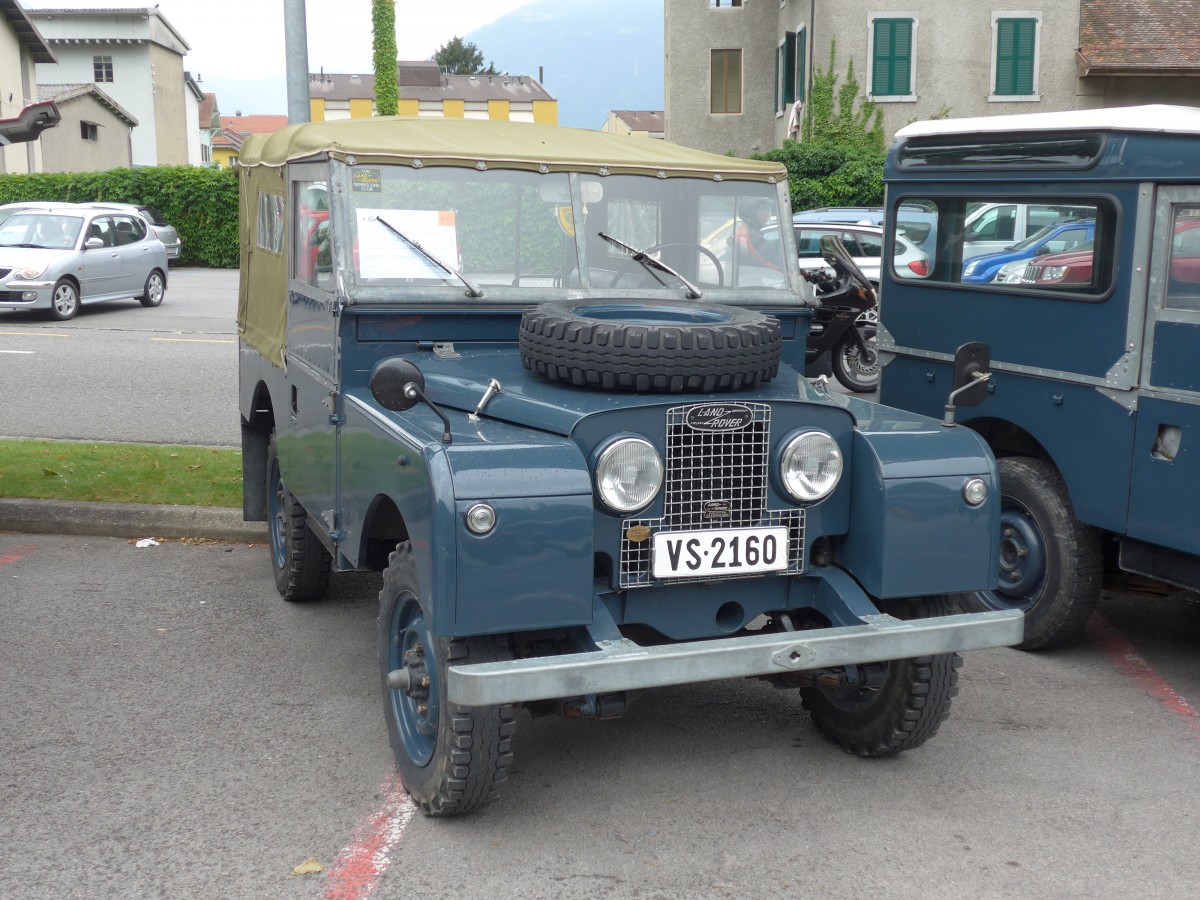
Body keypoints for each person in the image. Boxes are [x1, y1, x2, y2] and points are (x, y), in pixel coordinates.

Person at [735, 201, 783, 272]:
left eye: (768, 210)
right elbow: (768, 262)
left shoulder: (747, 230)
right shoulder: (750, 236)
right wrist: (789, 272)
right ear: (752, 214)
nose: (767, 215)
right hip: (751, 279)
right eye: (763, 211)